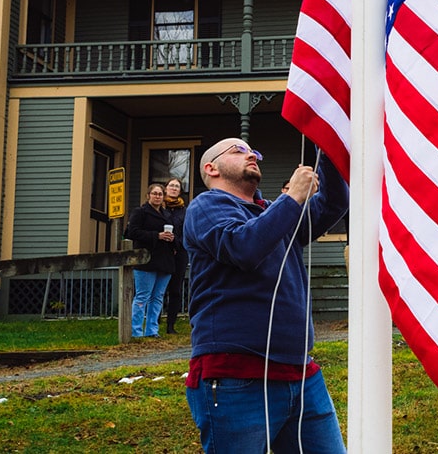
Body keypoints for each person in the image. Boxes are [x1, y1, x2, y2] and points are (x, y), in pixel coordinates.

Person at [182, 138, 348, 453]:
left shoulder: (274, 212)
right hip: (235, 376)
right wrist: (295, 196)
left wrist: (323, 142)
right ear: (211, 168)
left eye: (254, 151)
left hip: (301, 375)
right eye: (238, 151)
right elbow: (245, 248)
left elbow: (334, 203)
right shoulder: (205, 206)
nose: (251, 154)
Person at [124, 184, 179, 338]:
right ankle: (136, 331)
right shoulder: (140, 212)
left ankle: (152, 330)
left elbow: (177, 235)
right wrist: (157, 236)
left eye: (160, 194)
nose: (157, 196)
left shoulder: (167, 215)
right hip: (146, 260)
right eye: (154, 193)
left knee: (157, 297)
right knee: (142, 296)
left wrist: (172, 239)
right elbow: (132, 232)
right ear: (148, 195)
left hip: (165, 260)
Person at [162, 178, 188, 334]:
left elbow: (187, 231)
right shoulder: (160, 208)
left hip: (180, 252)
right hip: (162, 252)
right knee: (159, 289)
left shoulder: (185, 211)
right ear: (166, 188)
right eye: (171, 185)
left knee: (175, 290)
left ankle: (171, 325)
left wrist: (177, 245)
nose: (173, 188)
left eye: (177, 186)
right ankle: (154, 322)